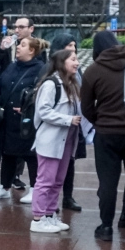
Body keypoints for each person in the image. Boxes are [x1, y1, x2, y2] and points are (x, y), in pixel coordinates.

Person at [81, 31, 125, 242]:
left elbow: (86, 107)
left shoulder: (93, 71)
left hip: (108, 133)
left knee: (108, 182)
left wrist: (100, 121)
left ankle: (105, 227)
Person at [0, 37, 46, 205]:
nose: (18, 47)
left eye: (23, 45)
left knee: (30, 155)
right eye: (19, 44)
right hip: (8, 120)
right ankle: (5, 187)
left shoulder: (40, 69)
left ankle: (35, 189)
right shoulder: (12, 66)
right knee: (8, 153)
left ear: (32, 51)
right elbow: (1, 86)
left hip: (26, 121)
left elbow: (41, 93)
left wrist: (28, 107)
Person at [29, 49, 82, 233]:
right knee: (45, 180)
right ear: (62, 62)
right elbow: (43, 111)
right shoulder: (51, 84)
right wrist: (68, 120)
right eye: (73, 59)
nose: (77, 63)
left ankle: (50, 215)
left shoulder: (71, 84)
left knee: (58, 180)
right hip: (50, 141)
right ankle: (38, 219)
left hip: (66, 140)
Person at [0, 17, 34, 191]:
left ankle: (15, 176)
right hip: (3, 97)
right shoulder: (8, 44)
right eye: (15, 27)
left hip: (22, 100)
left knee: (21, 136)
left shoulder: (35, 47)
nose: (17, 30)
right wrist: (1, 49)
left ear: (31, 29)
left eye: (21, 27)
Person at [48, 32, 84, 212]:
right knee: (51, 167)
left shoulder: (76, 70)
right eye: (69, 46)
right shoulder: (50, 71)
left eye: (74, 46)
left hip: (73, 125)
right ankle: (48, 205)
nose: (73, 49)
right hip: (56, 127)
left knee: (69, 162)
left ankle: (67, 197)